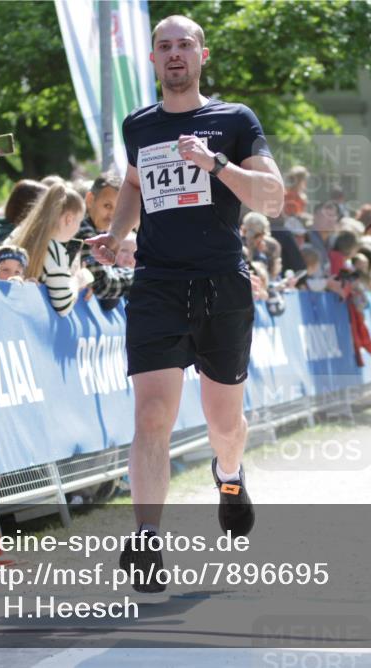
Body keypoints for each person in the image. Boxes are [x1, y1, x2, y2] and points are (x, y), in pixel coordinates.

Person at [84, 14, 283, 592]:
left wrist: (215, 164)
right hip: (157, 284)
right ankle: (147, 540)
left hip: (222, 284)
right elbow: (132, 183)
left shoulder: (235, 120)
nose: (175, 54)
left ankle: (229, 474)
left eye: (185, 45)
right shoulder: (139, 125)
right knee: (152, 416)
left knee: (225, 424)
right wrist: (118, 234)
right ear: (152, 59)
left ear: (202, 55)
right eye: (164, 46)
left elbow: (272, 198)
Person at [9, 183, 93, 317]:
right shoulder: (55, 250)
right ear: (69, 219)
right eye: (79, 222)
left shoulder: (18, 233)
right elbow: (63, 306)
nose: (78, 228)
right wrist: (78, 280)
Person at [72, 174, 135, 309]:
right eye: (107, 206)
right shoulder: (83, 231)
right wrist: (141, 275)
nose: (112, 215)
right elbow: (102, 285)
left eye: (118, 210)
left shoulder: (100, 232)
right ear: (90, 200)